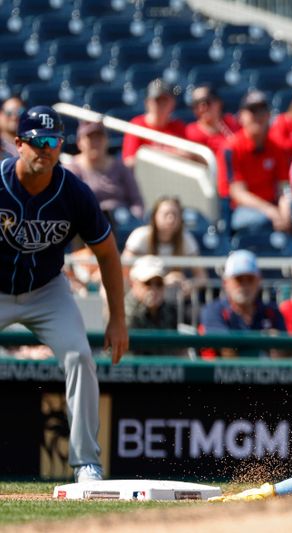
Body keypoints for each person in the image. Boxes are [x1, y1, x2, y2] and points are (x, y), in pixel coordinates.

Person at [0, 106, 128, 482]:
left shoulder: (73, 191)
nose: (45, 148)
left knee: (79, 357)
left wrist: (117, 320)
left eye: (53, 140)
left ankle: (86, 462)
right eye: (37, 141)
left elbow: (107, 253)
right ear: (19, 144)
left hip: (46, 290)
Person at [217, 90, 291, 233]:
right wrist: (271, 211)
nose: (258, 116)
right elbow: (237, 193)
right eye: (252, 111)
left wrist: (285, 210)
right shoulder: (232, 148)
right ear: (241, 117)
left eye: (262, 110)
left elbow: (283, 187)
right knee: (261, 221)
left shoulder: (275, 147)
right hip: (240, 209)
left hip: (272, 205)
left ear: (269, 115)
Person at [198, 250, 286, 359]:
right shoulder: (213, 310)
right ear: (226, 282)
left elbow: (284, 351)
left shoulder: (272, 312)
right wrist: (265, 340)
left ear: (259, 281)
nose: (244, 285)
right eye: (238, 279)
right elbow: (226, 346)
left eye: (250, 279)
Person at [122, 196, 206, 299]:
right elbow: (123, 271)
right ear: (154, 216)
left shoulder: (186, 239)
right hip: (140, 296)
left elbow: (202, 277)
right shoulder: (140, 236)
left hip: (170, 300)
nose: (171, 219)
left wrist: (188, 284)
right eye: (166, 214)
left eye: (175, 214)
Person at [64, 121, 145, 221]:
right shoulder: (72, 170)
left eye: (99, 138)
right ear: (79, 143)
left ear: (106, 140)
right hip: (91, 224)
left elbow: (136, 200)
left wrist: (135, 218)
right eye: (90, 138)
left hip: (123, 220)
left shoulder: (120, 166)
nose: (95, 142)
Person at [124, 255, 183, 356]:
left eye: (159, 284)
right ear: (133, 284)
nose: (153, 289)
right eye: (147, 283)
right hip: (128, 369)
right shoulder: (123, 311)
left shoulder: (170, 311)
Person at [121, 78, 187, 167]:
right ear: (147, 102)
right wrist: (170, 154)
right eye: (157, 100)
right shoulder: (137, 126)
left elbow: (187, 156)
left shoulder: (178, 127)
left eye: (165, 100)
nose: (161, 105)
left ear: (172, 103)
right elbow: (129, 161)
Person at [184, 84, 240, 155]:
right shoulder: (190, 132)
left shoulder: (232, 122)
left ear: (218, 103)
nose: (201, 108)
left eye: (206, 102)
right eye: (196, 104)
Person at [0, 95, 24, 160]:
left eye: (20, 112)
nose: (14, 117)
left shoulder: (31, 145)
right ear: (0, 115)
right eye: (9, 112)